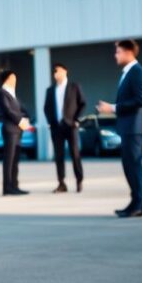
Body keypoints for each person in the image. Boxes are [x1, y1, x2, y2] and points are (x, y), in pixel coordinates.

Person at [97, 40, 142, 218]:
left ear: (128, 52)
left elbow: (139, 101)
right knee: (131, 166)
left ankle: (138, 204)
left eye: (118, 52)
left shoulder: (137, 73)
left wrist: (112, 108)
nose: (115, 55)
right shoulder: (129, 73)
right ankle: (139, 203)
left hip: (134, 127)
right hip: (129, 126)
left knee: (133, 166)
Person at [43, 63, 86, 193]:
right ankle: (61, 183)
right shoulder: (50, 90)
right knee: (59, 156)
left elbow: (82, 103)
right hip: (56, 127)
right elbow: (46, 108)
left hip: (71, 125)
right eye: (54, 72)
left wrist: (77, 120)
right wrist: (51, 122)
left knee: (75, 154)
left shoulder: (74, 86)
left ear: (65, 71)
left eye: (59, 71)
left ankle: (79, 181)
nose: (56, 74)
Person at [0, 70, 30, 196]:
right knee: (9, 160)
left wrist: (26, 118)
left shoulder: (13, 94)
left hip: (18, 131)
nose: (15, 80)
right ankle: (7, 187)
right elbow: (7, 110)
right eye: (13, 78)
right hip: (10, 130)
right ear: (7, 79)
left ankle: (15, 185)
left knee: (15, 160)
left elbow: (23, 109)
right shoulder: (2, 93)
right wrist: (20, 120)